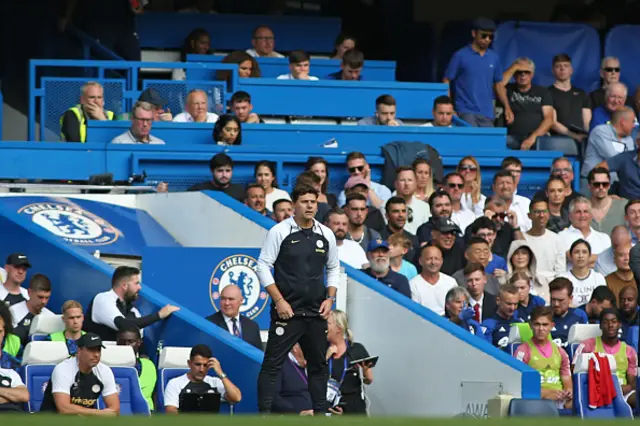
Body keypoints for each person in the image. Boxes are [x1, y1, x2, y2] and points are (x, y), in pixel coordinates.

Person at [256, 184, 339, 414]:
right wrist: (279, 301)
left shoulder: (326, 233)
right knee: (272, 365)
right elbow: (262, 265)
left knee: (318, 366)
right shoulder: (280, 231)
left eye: (313, 201)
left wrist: (330, 298)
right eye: (304, 201)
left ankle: (320, 413)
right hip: (288, 312)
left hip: (316, 312)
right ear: (294, 204)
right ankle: (263, 416)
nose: (310, 206)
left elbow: (333, 268)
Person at [84, 266, 179, 341]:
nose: (140, 287)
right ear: (124, 286)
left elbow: (137, 337)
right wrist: (159, 315)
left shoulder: (133, 311)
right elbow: (122, 325)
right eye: (136, 283)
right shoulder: (102, 299)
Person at [40, 333, 120, 415]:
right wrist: (98, 413)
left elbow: (115, 410)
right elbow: (64, 408)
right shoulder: (63, 369)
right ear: (79, 351)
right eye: (91, 350)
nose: (96, 354)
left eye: (98, 350)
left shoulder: (104, 371)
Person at [574, 308, 637, 408]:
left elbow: (633, 382)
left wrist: (627, 387)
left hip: (622, 393)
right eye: (605, 322)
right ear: (600, 325)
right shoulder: (588, 345)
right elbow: (574, 371)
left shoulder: (630, 351)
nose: (610, 325)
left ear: (620, 324)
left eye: (614, 322)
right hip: (597, 392)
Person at [515, 307, 573, 409]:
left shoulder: (561, 352)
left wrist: (568, 392)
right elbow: (518, 383)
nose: (541, 329)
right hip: (536, 401)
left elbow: (566, 378)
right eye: (537, 324)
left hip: (560, 400)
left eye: (545, 325)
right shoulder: (523, 351)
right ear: (531, 325)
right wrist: (546, 394)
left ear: (552, 326)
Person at [164, 344, 242, 413]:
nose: (201, 369)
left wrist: (220, 373)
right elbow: (171, 412)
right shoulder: (175, 383)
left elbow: (236, 397)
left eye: (205, 365)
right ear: (189, 363)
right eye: (198, 364)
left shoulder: (215, 382)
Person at [325, 310, 373, 415]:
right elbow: (312, 373)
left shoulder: (356, 349)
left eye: (327, 323)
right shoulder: (322, 349)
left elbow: (369, 380)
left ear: (338, 328)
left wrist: (364, 372)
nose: (324, 327)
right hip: (329, 404)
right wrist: (326, 356)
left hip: (353, 407)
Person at [205, 285, 262, 350]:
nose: (226, 303)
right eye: (223, 299)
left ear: (241, 301)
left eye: (231, 299)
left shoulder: (252, 326)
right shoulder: (209, 324)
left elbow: (259, 355)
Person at [116, 327, 157, 410]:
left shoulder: (149, 365)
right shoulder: (107, 367)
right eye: (122, 342)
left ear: (139, 342)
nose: (126, 345)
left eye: (131, 342)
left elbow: (155, 395)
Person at [558, 239, 607, 307]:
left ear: (589, 256)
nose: (580, 255)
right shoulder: (562, 278)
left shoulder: (598, 278)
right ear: (571, 256)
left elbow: (603, 302)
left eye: (584, 252)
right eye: (576, 252)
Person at [410, 246, 457, 315]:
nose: (433, 262)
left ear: (442, 261)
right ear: (420, 261)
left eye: (436, 259)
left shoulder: (451, 282)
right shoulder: (413, 284)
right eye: (429, 259)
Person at [272, 343, 313, 415]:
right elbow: (274, 397)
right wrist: (298, 413)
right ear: (295, 348)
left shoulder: (315, 365)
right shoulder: (279, 365)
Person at [548, 277, 588, 348]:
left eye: (561, 300)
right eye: (553, 299)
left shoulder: (580, 316)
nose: (556, 304)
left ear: (570, 298)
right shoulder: (542, 316)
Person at [481, 284, 523, 350]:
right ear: (498, 301)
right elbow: (485, 352)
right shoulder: (489, 325)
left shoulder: (520, 323)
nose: (512, 308)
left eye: (515, 304)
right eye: (509, 304)